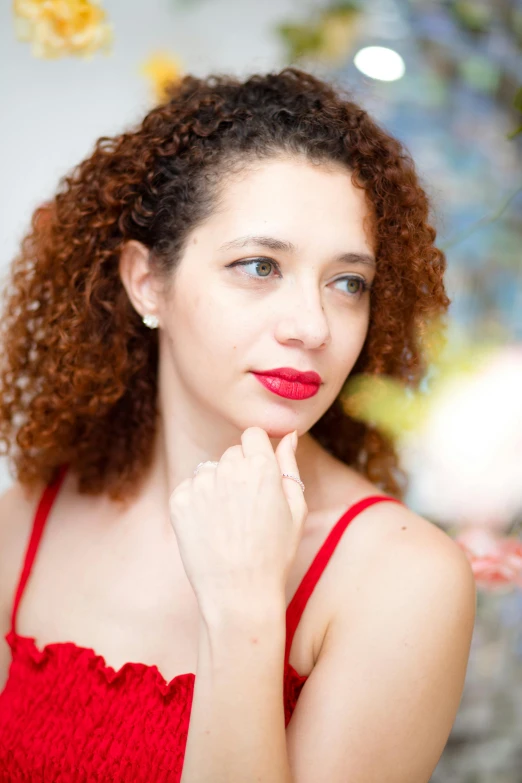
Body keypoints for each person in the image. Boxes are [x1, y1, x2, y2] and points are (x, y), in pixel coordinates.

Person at [0, 67, 476, 782]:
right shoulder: (29, 517)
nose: (312, 326)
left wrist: (245, 612)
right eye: (259, 266)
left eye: (348, 282)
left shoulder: (405, 580)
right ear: (146, 281)